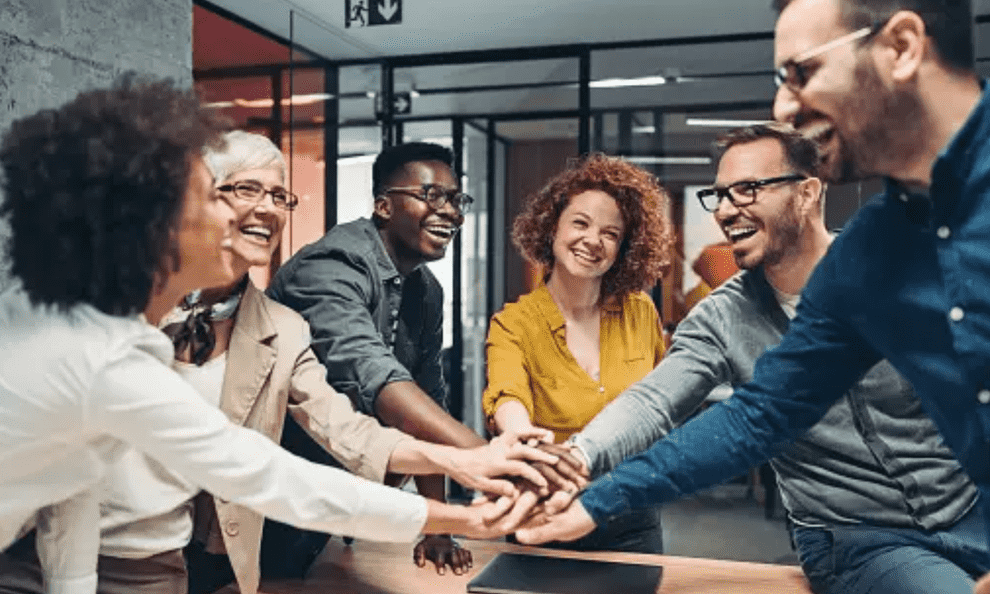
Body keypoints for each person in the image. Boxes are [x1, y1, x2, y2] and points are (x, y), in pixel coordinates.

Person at [518, 3, 990, 591]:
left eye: (801, 73)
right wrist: (590, 486)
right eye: (718, 195)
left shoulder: (874, 251)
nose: (785, 106)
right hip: (864, 539)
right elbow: (755, 413)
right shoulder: (871, 257)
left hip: (970, 514)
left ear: (901, 47)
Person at [0, 77, 535, 594]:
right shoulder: (102, 350)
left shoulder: (100, 327)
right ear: (156, 223)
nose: (257, 212)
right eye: (219, 194)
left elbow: (73, 483)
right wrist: (460, 510)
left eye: (279, 196)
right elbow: (265, 475)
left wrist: (462, 470)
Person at [267, 142, 582, 572]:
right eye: (433, 196)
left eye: (456, 199)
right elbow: (375, 375)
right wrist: (488, 457)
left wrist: (437, 527)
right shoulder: (331, 265)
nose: (451, 212)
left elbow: (427, 394)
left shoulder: (425, 290)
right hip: (270, 491)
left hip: (334, 490)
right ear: (383, 205)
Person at [482, 153, 671, 553]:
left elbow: (662, 400)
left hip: (632, 512)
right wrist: (519, 435)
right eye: (580, 223)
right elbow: (507, 396)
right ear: (552, 229)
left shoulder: (640, 312)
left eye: (611, 233)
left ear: (624, 247)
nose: (592, 241)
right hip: (544, 511)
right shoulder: (515, 324)